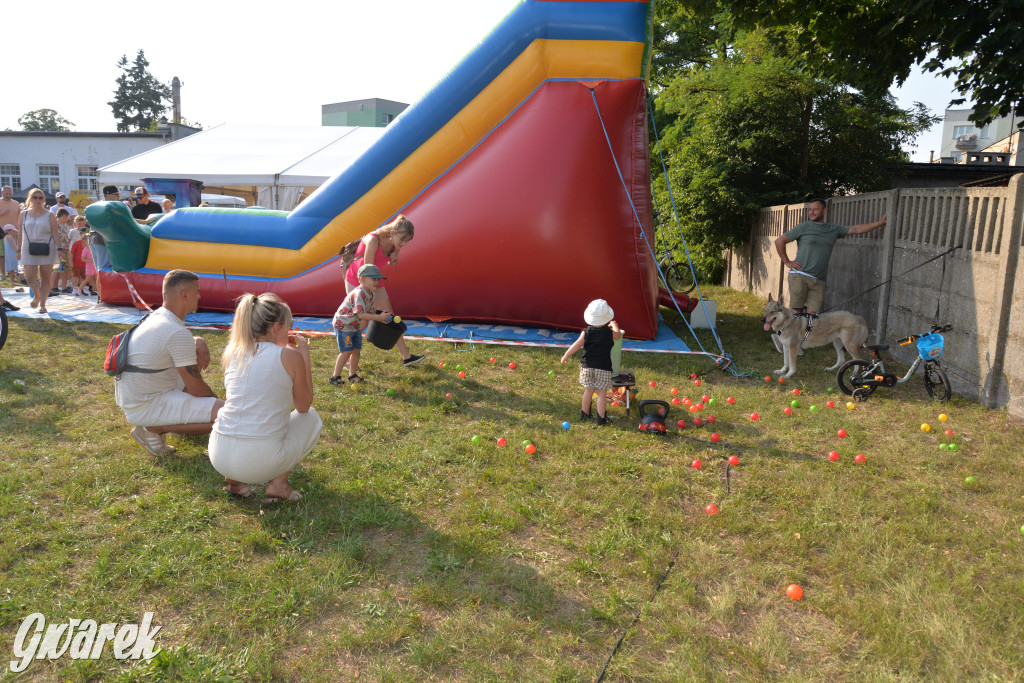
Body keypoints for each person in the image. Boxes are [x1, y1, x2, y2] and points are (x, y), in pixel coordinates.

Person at [209, 292, 321, 503]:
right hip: (259, 460)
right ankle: (279, 484)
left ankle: (235, 480)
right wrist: (304, 355)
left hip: (219, 454)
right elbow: (304, 405)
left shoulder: (233, 353)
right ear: (277, 327)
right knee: (311, 418)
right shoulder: (290, 356)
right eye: (288, 325)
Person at [113, 269, 224, 457]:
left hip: (135, 398)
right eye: (197, 291)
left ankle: (164, 420)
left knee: (214, 406)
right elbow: (197, 389)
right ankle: (154, 428)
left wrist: (198, 340)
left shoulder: (157, 316)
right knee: (231, 416)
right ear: (185, 295)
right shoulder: (175, 331)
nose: (199, 296)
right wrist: (216, 402)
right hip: (146, 405)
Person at [774, 198, 887, 314]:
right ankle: (795, 333)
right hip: (799, 275)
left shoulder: (833, 229)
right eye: (810, 210)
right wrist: (787, 262)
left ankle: (808, 332)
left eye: (815, 209)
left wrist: (880, 223)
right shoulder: (804, 227)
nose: (812, 212)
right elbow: (779, 241)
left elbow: (856, 229)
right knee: (796, 314)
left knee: (813, 317)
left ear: (824, 211)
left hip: (819, 280)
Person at [340, 215, 424, 367]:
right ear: (392, 233)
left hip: (374, 279)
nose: (403, 244)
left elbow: (378, 266)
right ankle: (346, 359)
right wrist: (370, 301)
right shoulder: (373, 240)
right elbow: (367, 271)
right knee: (362, 320)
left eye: (406, 241)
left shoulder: (393, 243)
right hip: (358, 279)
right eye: (402, 240)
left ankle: (406, 357)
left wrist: (393, 256)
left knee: (389, 316)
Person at [560, 299, 622, 426]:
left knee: (588, 390)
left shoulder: (586, 332)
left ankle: (584, 414)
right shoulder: (609, 332)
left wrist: (566, 355)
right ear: (606, 318)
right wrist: (614, 325)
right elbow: (618, 335)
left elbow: (577, 345)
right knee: (601, 394)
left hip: (587, 366)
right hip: (603, 367)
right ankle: (601, 418)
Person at [330, 264, 394, 385]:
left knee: (356, 350)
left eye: (378, 279)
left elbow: (368, 311)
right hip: (343, 325)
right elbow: (360, 315)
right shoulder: (358, 294)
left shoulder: (371, 294)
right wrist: (378, 317)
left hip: (354, 326)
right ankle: (335, 377)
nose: (376, 282)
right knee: (346, 351)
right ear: (362, 279)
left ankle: (352, 375)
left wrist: (381, 318)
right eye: (373, 279)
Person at [19, 189, 61, 314]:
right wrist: (17, 249)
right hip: (28, 248)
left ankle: (42, 304)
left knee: (46, 278)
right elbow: (20, 233)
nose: (38, 200)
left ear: (44, 200)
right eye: (35, 197)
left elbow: (55, 233)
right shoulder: (23, 214)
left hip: (47, 247)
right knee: (30, 277)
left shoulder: (50, 215)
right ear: (30, 199)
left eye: (40, 198)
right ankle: (37, 295)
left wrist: (59, 248)